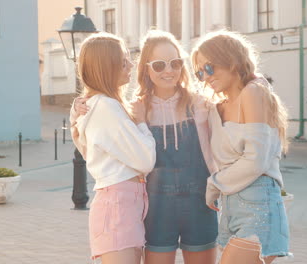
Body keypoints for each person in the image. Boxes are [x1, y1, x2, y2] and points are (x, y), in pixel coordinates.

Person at [73, 30, 218, 264]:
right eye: (159, 65)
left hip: (200, 204)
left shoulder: (201, 104)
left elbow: (220, 150)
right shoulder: (133, 110)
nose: (169, 70)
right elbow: (94, 148)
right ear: (146, 68)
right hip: (156, 210)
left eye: (176, 63)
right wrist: (77, 113)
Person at [191, 30, 292, 264]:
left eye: (209, 68)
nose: (205, 77)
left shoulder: (253, 91)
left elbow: (256, 160)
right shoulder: (216, 107)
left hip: (259, 203)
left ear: (231, 60)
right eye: (199, 73)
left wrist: (214, 183)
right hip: (230, 207)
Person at [70, 32, 156, 264]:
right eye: (123, 60)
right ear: (107, 66)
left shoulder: (99, 105)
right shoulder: (106, 107)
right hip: (119, 206)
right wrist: (141, 122)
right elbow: (145, 160)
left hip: (120, 203)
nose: (130, 65)